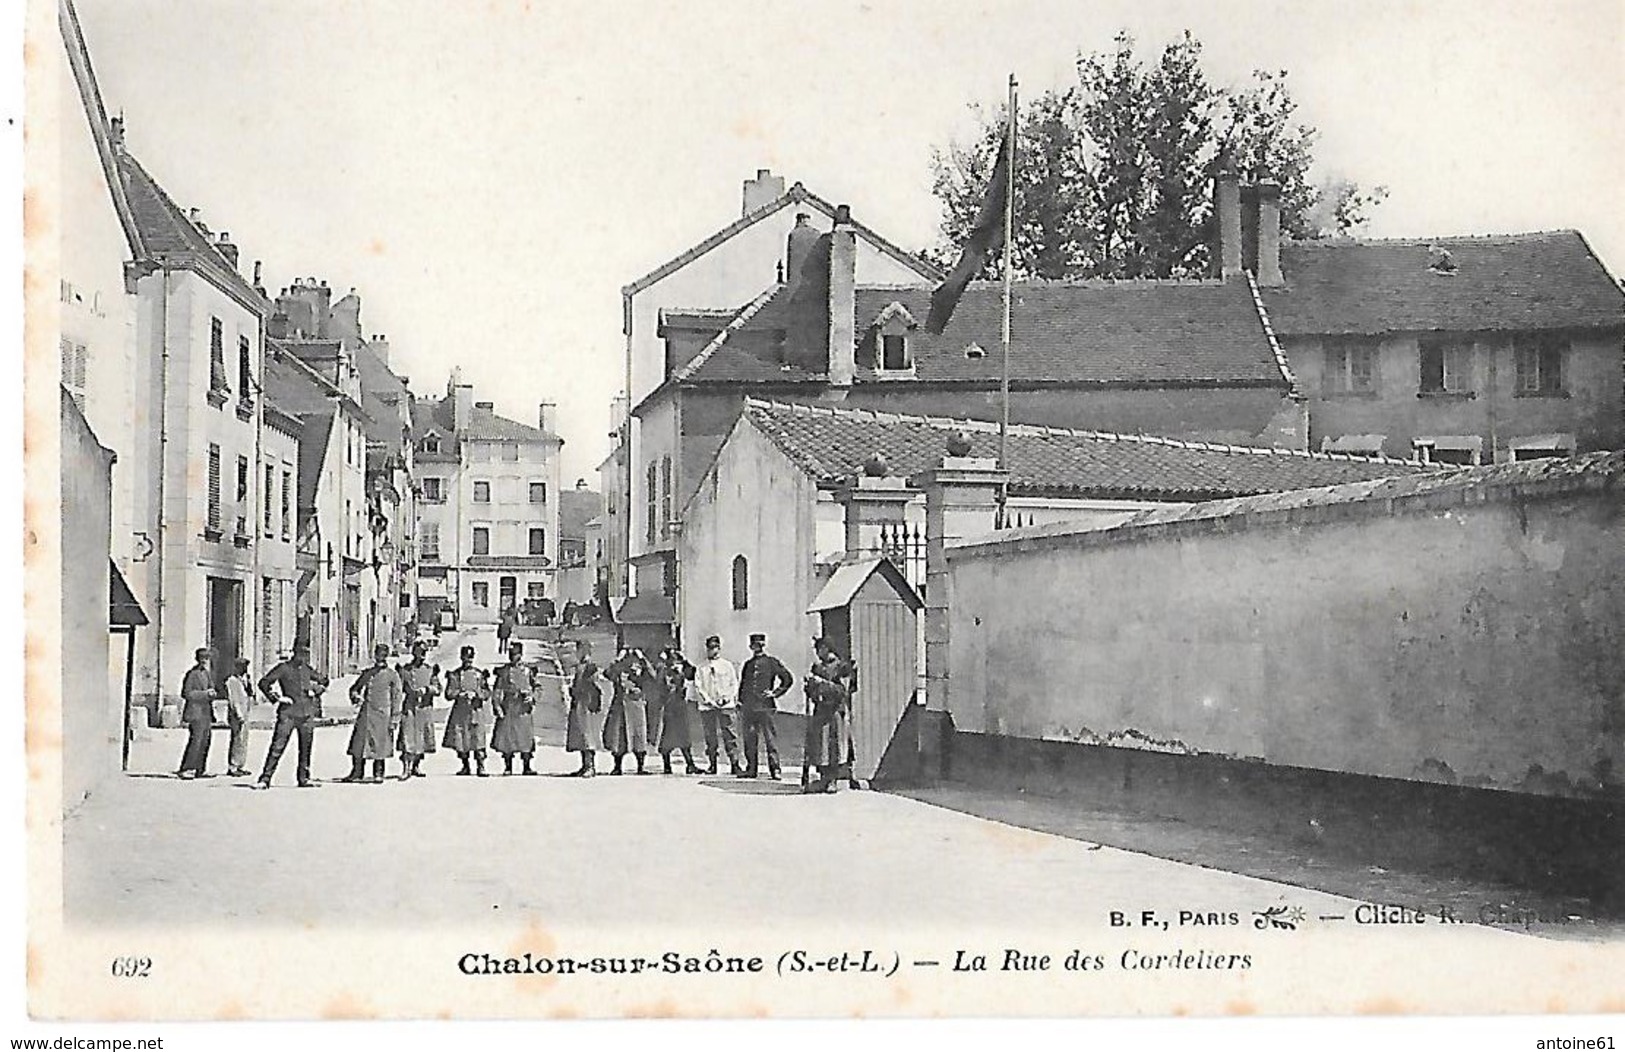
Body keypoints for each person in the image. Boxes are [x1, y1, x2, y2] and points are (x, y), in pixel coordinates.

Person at [255, 643, 329, 789]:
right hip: (288, 713)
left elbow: (324, 680)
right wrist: (276, 698)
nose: (303, 657)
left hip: (307, 714)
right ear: (294, 653)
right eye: (301, 654)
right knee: (277, 747)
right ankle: (265, 779)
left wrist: (316, 691)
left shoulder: (307, 669)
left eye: (306, 654)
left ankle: (304, 778)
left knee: (305, 748)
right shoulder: (284, 668)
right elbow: (264, 683)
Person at [342, 644, 403, 784]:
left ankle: (378, 773)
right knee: (359, 744)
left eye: (383, 655)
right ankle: (357, 772)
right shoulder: (367, 673)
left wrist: (395, 718)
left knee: (380, 745)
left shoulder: (392, 675)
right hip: (366, 713)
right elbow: (354, 689)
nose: (380, 658)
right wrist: (356, 696)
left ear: (386, 656)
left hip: (382, 715)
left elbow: (397, 697)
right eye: (378, 654)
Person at [737, 633, 793, 780]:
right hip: (749, 707)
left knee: (770, 740)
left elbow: (787, 679)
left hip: (766, 707)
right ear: (751, 647)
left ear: (764, 645)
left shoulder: (771, 662)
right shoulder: (748, 665)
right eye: (755, 646)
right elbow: (743, 685)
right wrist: (740, 702)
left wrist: (775, 693)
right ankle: (751, 768)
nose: (758, 648)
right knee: (749, 739)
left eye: (760, 645)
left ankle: (775, 769)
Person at [803, 637, 856, 793]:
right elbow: (812, 691)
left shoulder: (842, 667)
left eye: (819, 649)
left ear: (826, 648)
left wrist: (821, 683)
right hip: (820, 711)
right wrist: (810, 687)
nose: (817, 653)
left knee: (835, 746)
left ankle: (833, 779)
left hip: (835, 712)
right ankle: (823, 778)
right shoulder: (817, 667)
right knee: (820, 746)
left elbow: (843, 691)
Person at [693, 634, 743, 776]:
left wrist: (726, 698)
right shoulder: (701, 668)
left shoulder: (727, 666)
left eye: (715, 648)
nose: (712, 651)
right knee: (710, 736)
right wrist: (709, 701)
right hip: (708, 707)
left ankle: (735, 764)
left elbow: (733, 684)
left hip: (726, 706)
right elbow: (699, 686)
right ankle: (712, 764)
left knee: (730, 735)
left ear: (719, 648)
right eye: (710, 648)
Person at [442, 645, 492, 776]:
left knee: (478, 738)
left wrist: (477, 694)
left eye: (470, 658)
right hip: (460, 712)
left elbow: (487, 693)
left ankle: (481, 766)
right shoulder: (455, 675)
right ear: (461, 658)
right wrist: (460, 694)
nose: (468, 661)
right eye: (465, 658)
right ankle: (465, 765)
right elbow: (448, 693)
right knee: (461, 739)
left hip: (476, 711)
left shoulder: (479, 675)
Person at [491, 640, 539, 775]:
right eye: (511, 654)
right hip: (509, 707)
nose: (513, 657)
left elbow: (538, 687)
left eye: (516, 654)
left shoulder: (528, 671)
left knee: (525, 737)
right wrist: (497, 707)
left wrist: (532, 697)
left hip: (523, 708)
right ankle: (508, 766)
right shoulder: (504, 671)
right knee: (508, 737)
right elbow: (498, 690)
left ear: (521, 655)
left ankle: (527, 765)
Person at [396, 640, 441, 779]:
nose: (421, 656)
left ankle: (416, 765)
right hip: (410, 707)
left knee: (422, 739)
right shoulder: (406, 670)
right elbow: (398, 689)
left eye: (424, 653)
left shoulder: (430, 670)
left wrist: (427, 690)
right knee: (407, 737)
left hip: (424, 708)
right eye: (419, 653)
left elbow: (438, 688)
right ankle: (406, 768)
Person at [602, 649, 651, 775]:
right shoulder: (619, 668)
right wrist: (618, 659)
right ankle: (617, 766)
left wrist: (643, 659)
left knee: (639, 736)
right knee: (619, 737)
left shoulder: (642, 668)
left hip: (636, 705)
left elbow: (653, 676)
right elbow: (607, 674)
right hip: (621, 705)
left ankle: (640, 766)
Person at [654, 647, 700, 775]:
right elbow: (659, 682)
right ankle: (667, 766)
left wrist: (684, 661)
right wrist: (663, 663)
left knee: (684, 737)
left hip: (680, 706)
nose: (675, 664)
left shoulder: (681, 671)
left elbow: (693, 674)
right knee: (667, 739)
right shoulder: (664, 671)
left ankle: (690, 764)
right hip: (669, 707)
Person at [177, 648, 216, 779]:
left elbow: (211, 687)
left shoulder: (206, 673)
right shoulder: (192, 674)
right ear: (197, 659)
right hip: (195, 711)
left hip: (206, 712)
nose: (204, 660)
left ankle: (200, 768)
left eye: (207, 658)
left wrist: (212, 693)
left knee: (206, 741)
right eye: (202, 658)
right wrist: (205, 694)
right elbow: (186, 693)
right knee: (196, 740)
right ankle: (187, 768)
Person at [566, 639, 603, 777]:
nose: (577, 652)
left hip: (586, 704)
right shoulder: (580, 666)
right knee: (581, 735)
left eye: (579, 649)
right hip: (578, 703)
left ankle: (590, 766)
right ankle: (583, 765)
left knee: (588, 735)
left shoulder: (590, 667)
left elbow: (594, 686)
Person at [223, 657, 254, 778]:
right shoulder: (232, 681)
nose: (244, 669)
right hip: (237, 714)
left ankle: (240, 765)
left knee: (243, 740)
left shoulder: (246, 679)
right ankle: (233, 766)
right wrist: (238, 714)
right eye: (241, 666)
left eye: (245, 666)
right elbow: (233, 699)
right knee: (237, 739)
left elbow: (249, 694)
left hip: (245, 711)